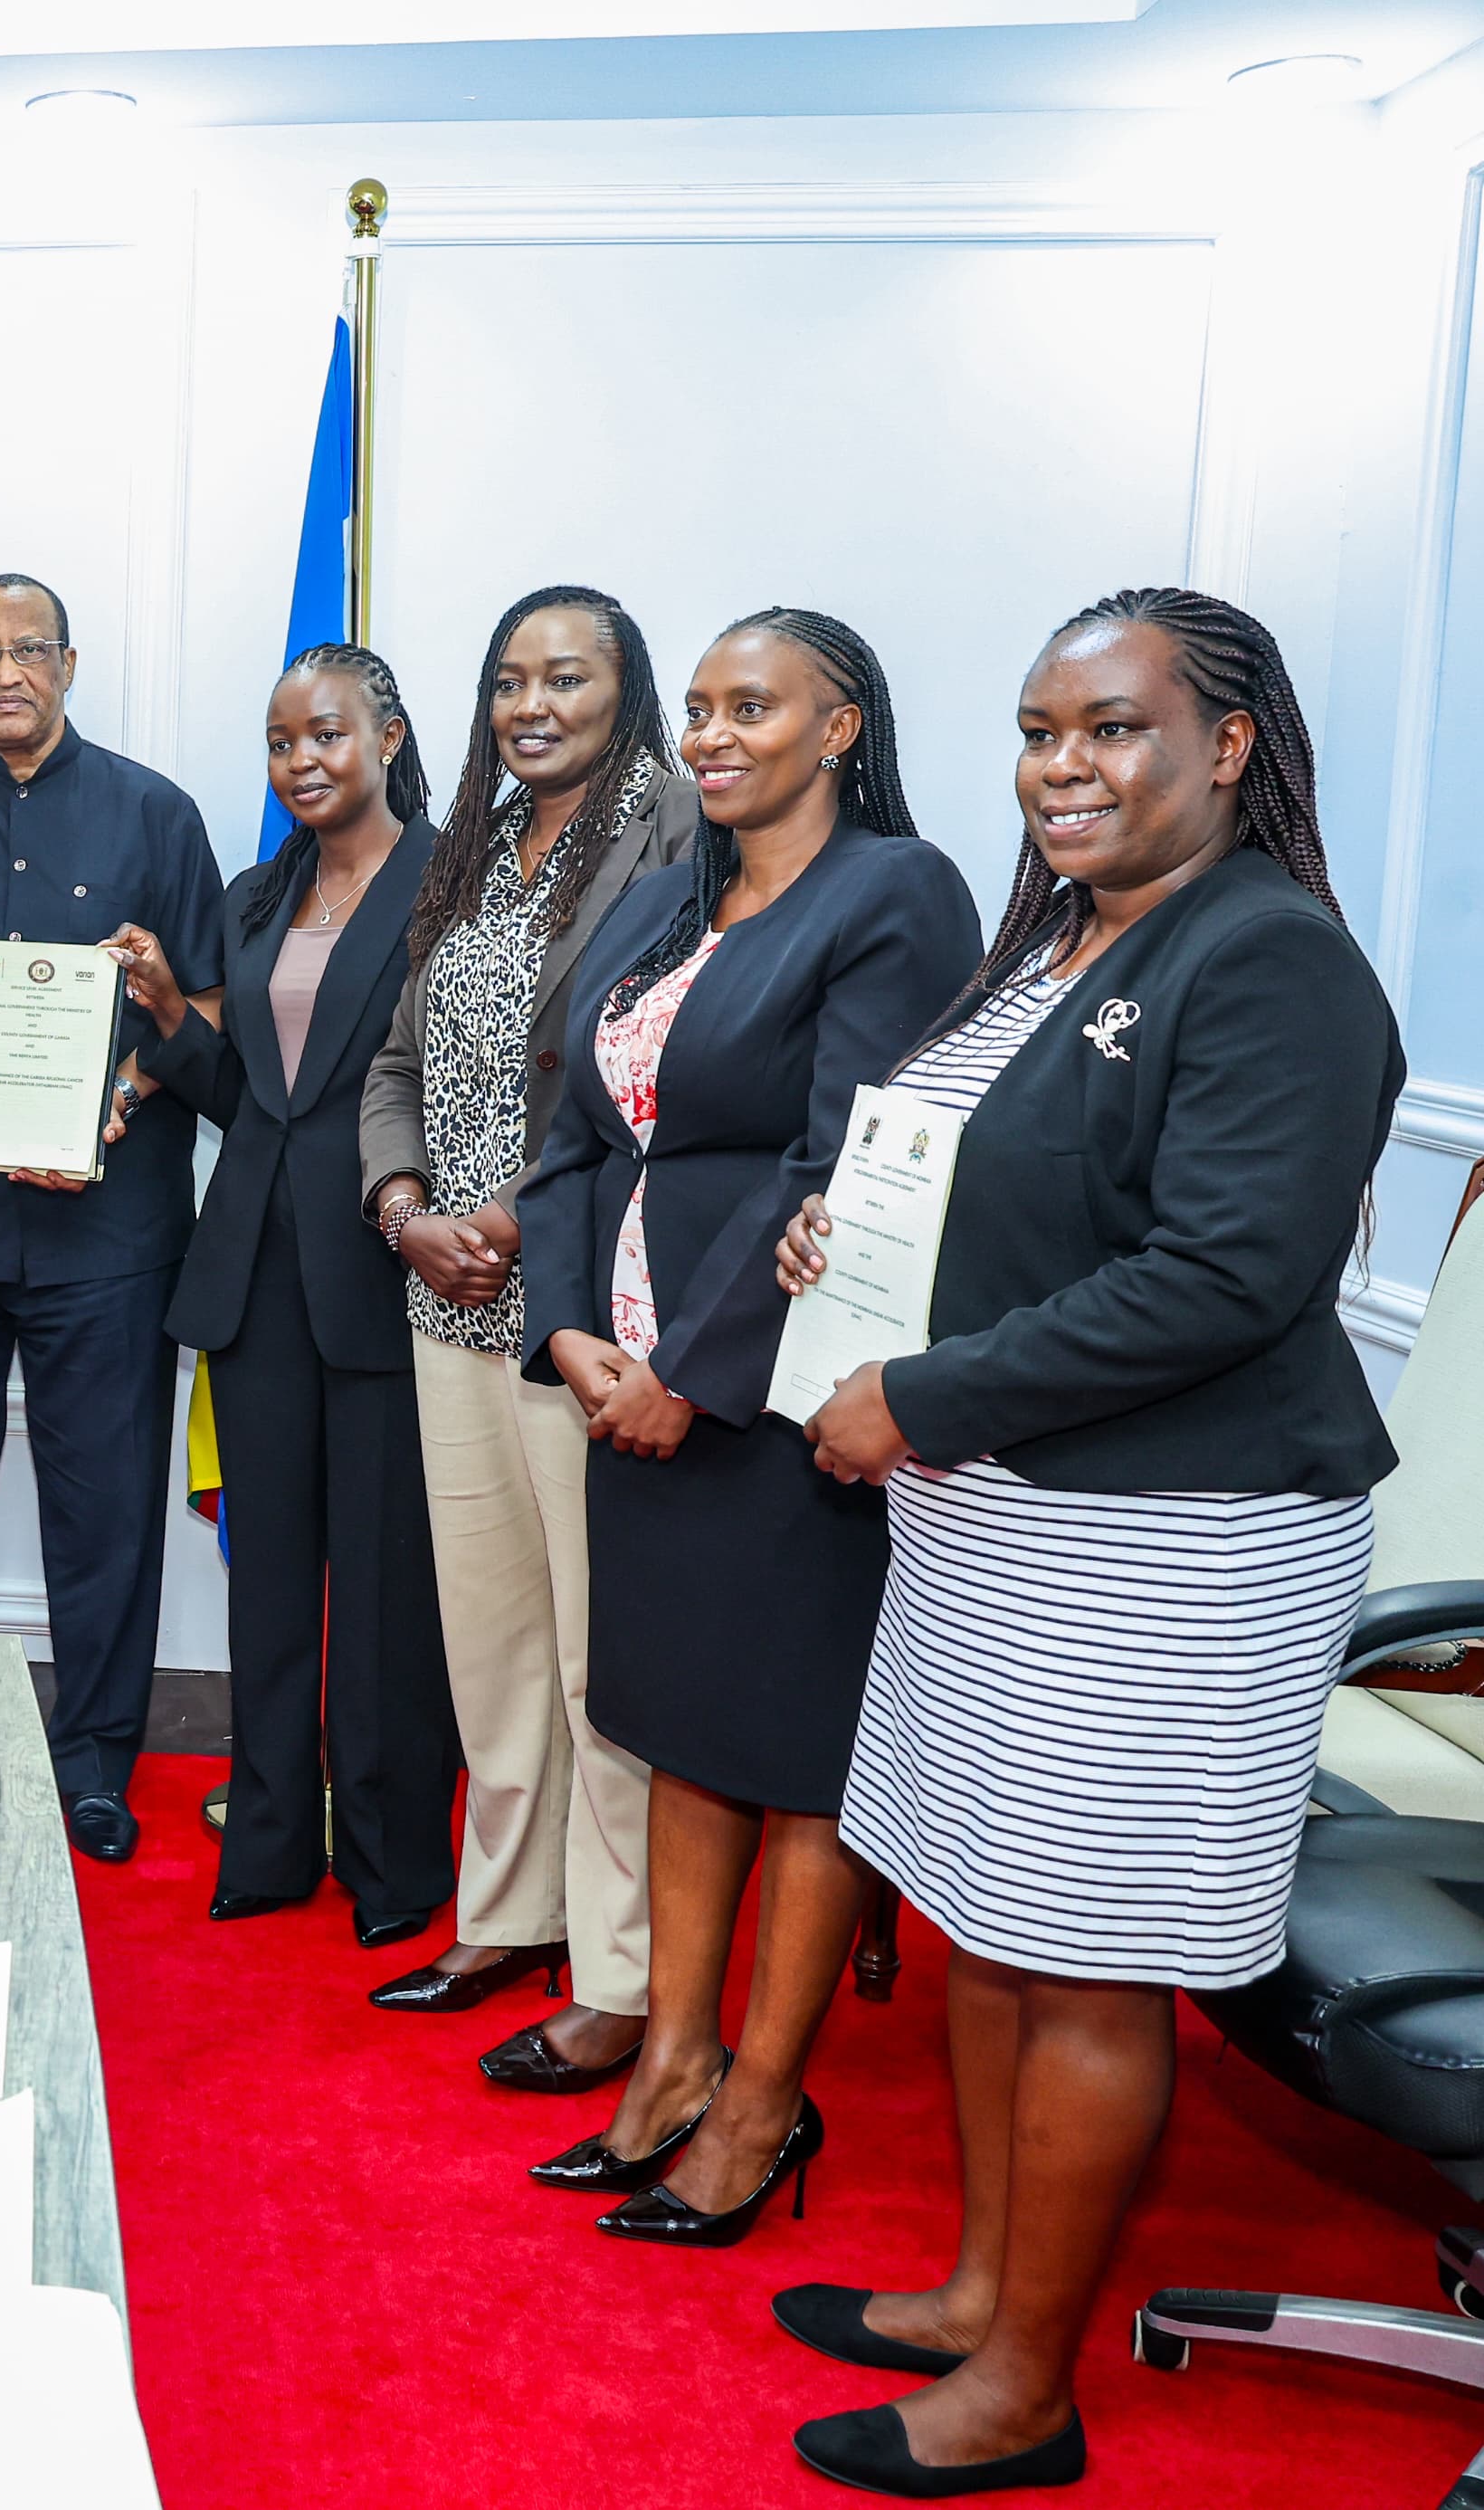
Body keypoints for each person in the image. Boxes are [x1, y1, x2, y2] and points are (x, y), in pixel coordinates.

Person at [777, 591, 1401, 2496]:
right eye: (1041, 730)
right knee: (990, 1919)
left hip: (1171, 1541)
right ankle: (980, 2289)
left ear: (1225, 746)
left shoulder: (1270, 959)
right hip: (1008, 1524)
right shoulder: (1057, 942)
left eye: (1114, 727)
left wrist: (923, 1393)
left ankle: (1024, 2389)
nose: (1065, 765)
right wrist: (844, 1248)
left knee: (1091, 1960)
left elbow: (1220, 1274)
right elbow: (993, 1188)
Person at [513, 608, 980, 2241]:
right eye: (698, 709)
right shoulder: (662, 899)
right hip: (622, 1373)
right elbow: (571, 1128)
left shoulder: (895, 894)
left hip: (782, 1403)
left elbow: (846, 1162)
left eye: (752, 705)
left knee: (787, 1753)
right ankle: (673, 2058)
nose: (711, 734)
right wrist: (570, 1331)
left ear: (840, 725)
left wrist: (689, 1373)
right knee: (678, 1727)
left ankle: (767, 2095)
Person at [357, 585, 698, 2085]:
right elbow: (390, 1056)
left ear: (627, 686)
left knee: (593, 1657)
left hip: (571, 1300)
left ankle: (621, 1973)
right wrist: (402, 1197)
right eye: (508, 679)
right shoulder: (473, 850)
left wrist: (512, 1213)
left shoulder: (684, 831)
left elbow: (664, 1066)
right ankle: (508, 1910)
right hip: (444, 1290)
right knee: (490, 1638)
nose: (533, 703)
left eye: (568, 675)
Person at [0, 572, 228, 1864]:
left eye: (28, 650)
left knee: (106, 1502)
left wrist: (124, 1088)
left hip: (101, 1229)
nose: (4, 672)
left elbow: (208, 1010)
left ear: (70, 664)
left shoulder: (156, 815)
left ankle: (97, 1761)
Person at [116, 644, 452, 1941]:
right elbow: (248, 1096)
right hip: (252, 1274)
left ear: (388, 737)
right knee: (268, 1588)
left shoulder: (449, 885)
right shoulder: (258, 896)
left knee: (380, 1593)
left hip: (380, 1266)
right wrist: (165, 1015)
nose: (302, 762)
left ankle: (391, 1861)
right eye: (279, 742)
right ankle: (265, 1839)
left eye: (326, 736)